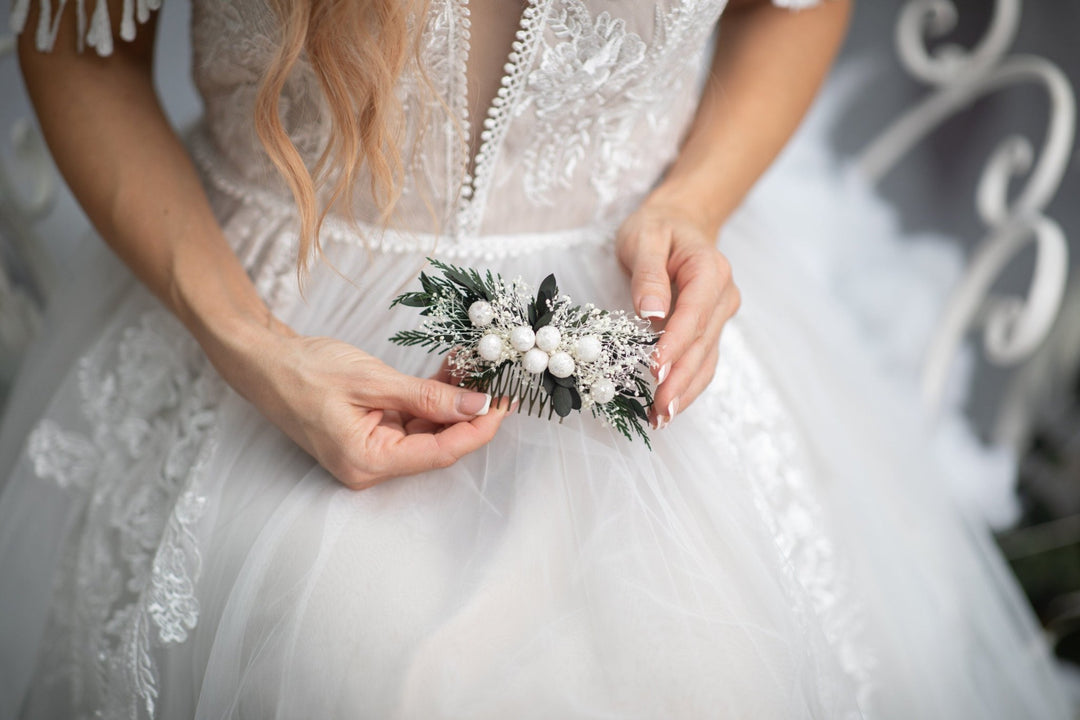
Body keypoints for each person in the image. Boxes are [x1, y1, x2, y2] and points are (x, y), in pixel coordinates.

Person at [0, 0, 1070, 717]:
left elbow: (795, 7)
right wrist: (253, 346)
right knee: (350, 662)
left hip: (631, 308)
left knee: (713, 664)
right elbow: (76, 40)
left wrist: (696, 200)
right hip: (262, 322)